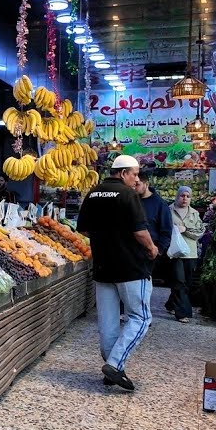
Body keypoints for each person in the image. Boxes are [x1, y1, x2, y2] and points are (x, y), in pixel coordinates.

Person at [76, 155, 159, 392]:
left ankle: (114, 368)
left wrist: (106, 240)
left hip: (103, 267)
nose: (137, 179)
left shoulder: (93, 193)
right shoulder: (127, 195)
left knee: (108, 322)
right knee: (141, 318)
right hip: (131, 267)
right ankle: (114, 364)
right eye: (134, 174)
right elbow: (140, 232)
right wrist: (152, 248)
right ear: (123, 173)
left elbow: (83, 229)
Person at [165, 186, 205, 323]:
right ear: (177, 196)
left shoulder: (194, 213)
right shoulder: (167, 211)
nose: (185, 199)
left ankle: (171, 304)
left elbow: (200, 232)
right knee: (178, 281)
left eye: (188, 196)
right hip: (175, 252)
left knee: (186, 282)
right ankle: (182, 312)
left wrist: (185, 230)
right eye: (182, 196)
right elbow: (163, 228)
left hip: (190, 252)